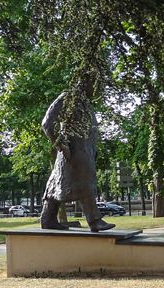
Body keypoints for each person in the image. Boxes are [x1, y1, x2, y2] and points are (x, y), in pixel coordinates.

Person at [40, 79, 115, 232]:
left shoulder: (85, 104)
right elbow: (47, 123)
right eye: (95, 85)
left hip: (84, 152)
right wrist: (60, 144)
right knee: (83, 183)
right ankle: (94, 220)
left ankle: (47, 218)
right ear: (85, 83)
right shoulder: (67, 98)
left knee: (57, 182)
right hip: (73, 152)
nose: (97, 90)